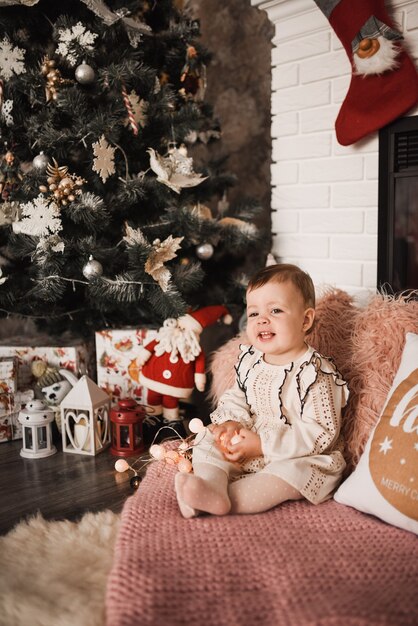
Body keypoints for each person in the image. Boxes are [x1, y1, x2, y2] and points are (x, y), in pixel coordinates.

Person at [175, 263, 349, 518]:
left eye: (275, 310)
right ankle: (211, 485)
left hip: (296, 454)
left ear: (305, 319)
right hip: (251, 439)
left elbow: (320, 434)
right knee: (207, 439)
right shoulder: (251, 360)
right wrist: (232, 423)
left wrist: (264, 445)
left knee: (289, 476)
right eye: (254, 313)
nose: (262, 320)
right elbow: (237, 397)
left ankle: (223, 500)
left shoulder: (316, 374)